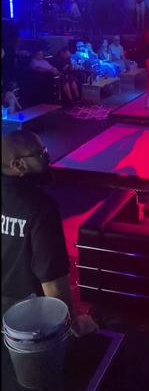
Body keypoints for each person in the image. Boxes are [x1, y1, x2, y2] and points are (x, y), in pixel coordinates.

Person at [1, 130, 97, 333]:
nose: (48, 157)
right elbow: (53, 283)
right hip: (26, 321)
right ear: (18, 164)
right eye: (40, 153)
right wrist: (73, 324)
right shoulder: (41, 207)